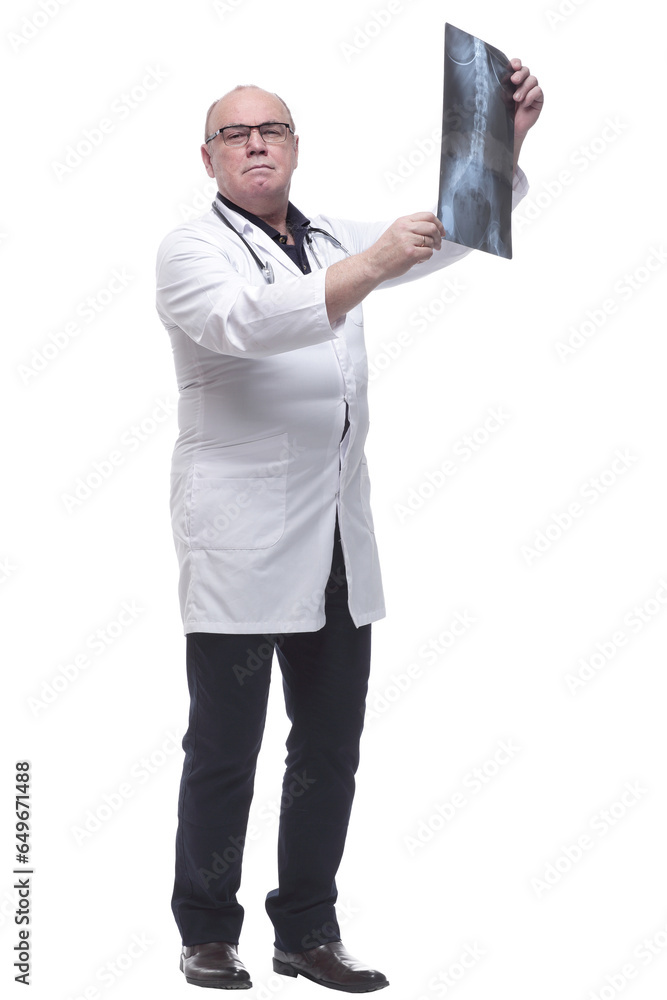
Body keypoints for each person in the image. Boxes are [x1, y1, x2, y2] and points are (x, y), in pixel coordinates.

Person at [155, 63, 543, 992]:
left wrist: (503, 141)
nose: (255, 143)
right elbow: (246, 323)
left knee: (327, 750)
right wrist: (371, 267)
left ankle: (306, 931)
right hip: (241, 548)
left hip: (334, 542)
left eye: (272, 129)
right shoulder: (189, 251)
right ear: (208, 158)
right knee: (225, 752)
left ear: (294, 146)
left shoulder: (327, 232)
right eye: (235, 133)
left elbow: (444, 236)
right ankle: (206, 931)